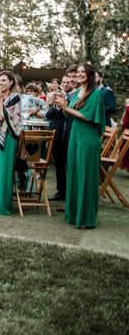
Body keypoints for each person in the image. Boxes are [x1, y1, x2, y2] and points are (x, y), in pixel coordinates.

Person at [54, 63, 105, 229]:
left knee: (85, 176)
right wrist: (62, 105)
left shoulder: (96, 94)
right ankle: (74, 214)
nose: (80, 74)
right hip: (75, 135)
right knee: (75, 174)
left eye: (84, 72)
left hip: (88, 138)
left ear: (90, 75)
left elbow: (88, 116)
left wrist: (66, 107)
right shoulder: (77, 92)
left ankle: (86, 217)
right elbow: (68, 114)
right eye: (79, 72)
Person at [0, 71, 22, 215]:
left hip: (8, 137)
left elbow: (2, 117)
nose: (0, 83)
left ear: (11, 82)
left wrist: (0, 101)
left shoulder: (15, 98)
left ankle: (3, 206)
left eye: (4, 81)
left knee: (5, 172)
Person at [121, 98, 129, 171]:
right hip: (126, 125)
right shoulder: (127, 100)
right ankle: (124, 164)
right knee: (124, 144)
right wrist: (121, 120)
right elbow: (125, 112)